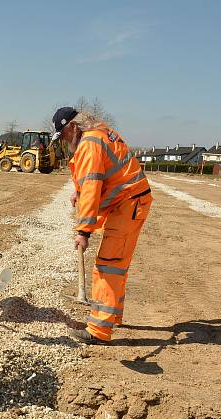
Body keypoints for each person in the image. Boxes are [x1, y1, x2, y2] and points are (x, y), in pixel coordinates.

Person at [51, 106, 152, 344]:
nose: (65, 140)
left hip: (129, 203)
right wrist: (78, 190)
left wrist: (84, 231)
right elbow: (94, 177)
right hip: (129, 202)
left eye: (64, 134)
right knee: (116, 264)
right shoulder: (99, 134)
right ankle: (112, 315)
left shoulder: (89, 143)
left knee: (108, 266)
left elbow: (92, 187)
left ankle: (99, 330)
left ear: (73, 127)